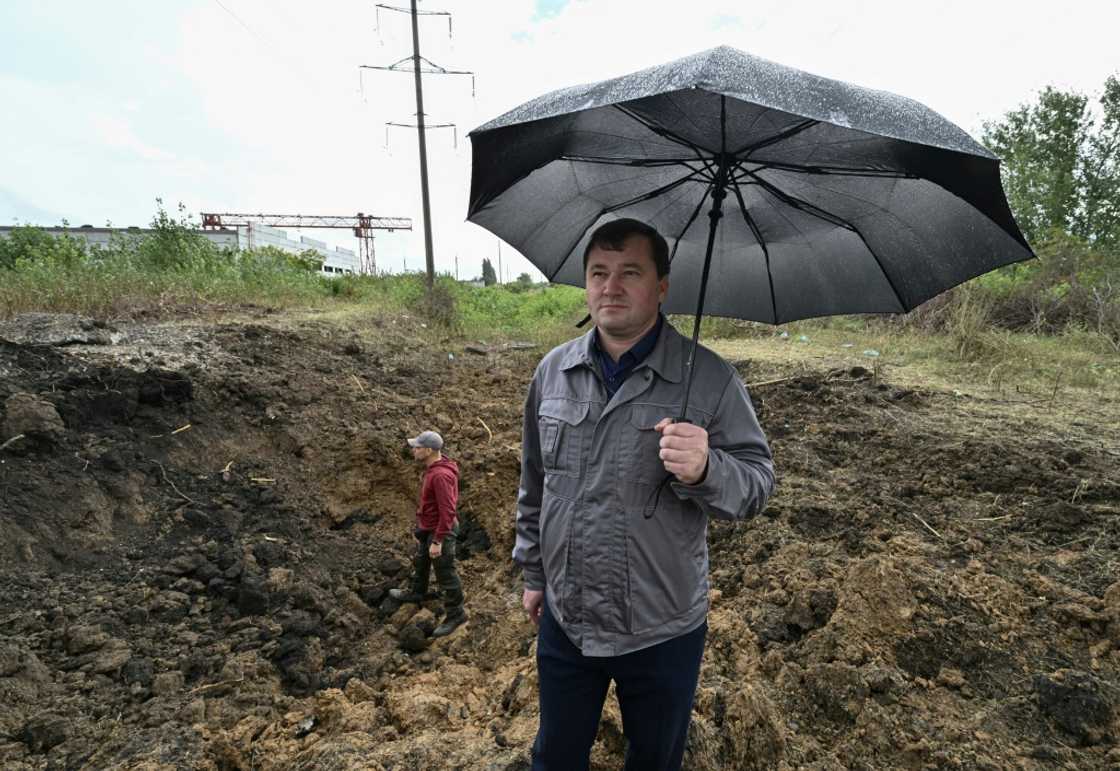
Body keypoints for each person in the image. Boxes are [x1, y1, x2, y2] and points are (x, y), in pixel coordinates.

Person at [515, 218, 775, 770]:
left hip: (662, 627)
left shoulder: (709, 380)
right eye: (599, 273)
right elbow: (535, 484)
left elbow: (756, 484)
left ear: (661, 286)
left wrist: (706, 468)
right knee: (554, 757)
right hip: (568, 616)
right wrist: (535, 575)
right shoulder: (552, 372)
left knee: (654, 761)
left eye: (630, 272)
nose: (611, 287)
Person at [390, 430, 467, 638]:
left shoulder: (441, 475)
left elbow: (448, 511)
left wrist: (438, 540)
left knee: (446, 573)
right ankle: (417, 592)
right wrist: (422, 528)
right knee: (421, 561)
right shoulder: (433, 468)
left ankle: (456, 614)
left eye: (417, 447)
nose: (413, 450)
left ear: (429, 450)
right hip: (430, 528)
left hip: (442, 530)